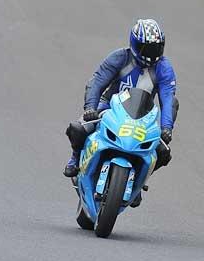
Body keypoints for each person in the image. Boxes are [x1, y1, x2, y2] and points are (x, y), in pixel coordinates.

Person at [64, 19, 178, 182]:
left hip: (143, 118)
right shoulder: (120, 57)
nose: (150, 54)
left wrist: (167, 127)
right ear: (134, 43)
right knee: (78, 129)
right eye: (146, 48)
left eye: (156, 48)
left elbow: (168, 100)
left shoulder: (164, 68)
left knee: (163, 152)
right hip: (109, 108)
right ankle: (75, 158)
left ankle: (140, 179)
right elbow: (96, 82)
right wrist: (91, 108)